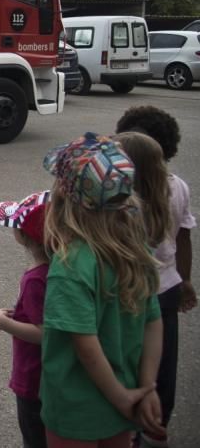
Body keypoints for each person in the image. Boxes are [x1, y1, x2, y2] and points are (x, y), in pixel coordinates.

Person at [39, 132, 164, 447]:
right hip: (123, 399)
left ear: (65, 198)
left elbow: (86, 347)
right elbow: (153, 322)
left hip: (75, 409)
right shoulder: (137, 253)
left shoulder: (70, 265)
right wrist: (147, 388)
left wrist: (122, 397)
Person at [115, 107, 197, 448]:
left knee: (126, 361)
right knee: (161, 364)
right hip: (166, 286)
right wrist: (186, 280)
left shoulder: (120, 196)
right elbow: (183, 237)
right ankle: (154, 429)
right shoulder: (177, 186)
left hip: (128, 293)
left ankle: (127, 427)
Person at [0, 190, 51, 448]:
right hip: (51, 377)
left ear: (23, 235)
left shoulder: (35, 279)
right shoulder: (56, 268)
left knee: (34, 437)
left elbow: (44, 332)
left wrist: (4, 323)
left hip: (33, 377)